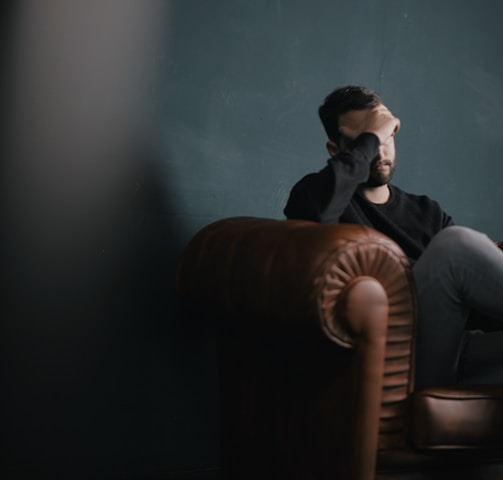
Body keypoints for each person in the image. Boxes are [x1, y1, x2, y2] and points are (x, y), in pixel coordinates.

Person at [284, 85, 503, 387]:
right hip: (398, 361)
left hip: (453, 354)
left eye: (386, 136)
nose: (380, 150)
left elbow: (473, 307)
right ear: (336, 150)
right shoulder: (316, 195)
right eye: (366, 139)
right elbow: (315, 219)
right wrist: (371, 136)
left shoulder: (428, 212)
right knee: (456, 246)